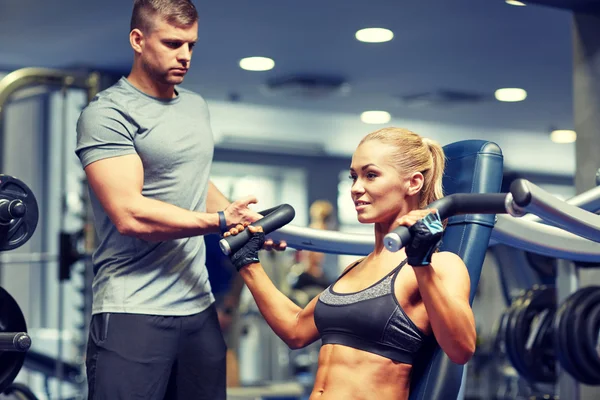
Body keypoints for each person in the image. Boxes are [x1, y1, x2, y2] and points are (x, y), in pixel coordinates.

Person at [75, 1, 281, 399]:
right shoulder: (107, 114)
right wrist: (221, 220)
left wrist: (245, 223)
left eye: (191, 45)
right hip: (132, 308)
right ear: (138, 40)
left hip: (197, 308)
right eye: (172, 43)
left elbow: (197, 185)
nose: (184, 56)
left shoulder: (194, 107)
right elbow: (130, 216)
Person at [224, 127, 477, 400]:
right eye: (353, 176)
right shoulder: (354, 269)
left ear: (413, 183)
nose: (356, 188)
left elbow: (461, 349)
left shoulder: (442, 264)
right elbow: (296, 330)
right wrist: (249, 264)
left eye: (371, 175)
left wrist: (421, 262)